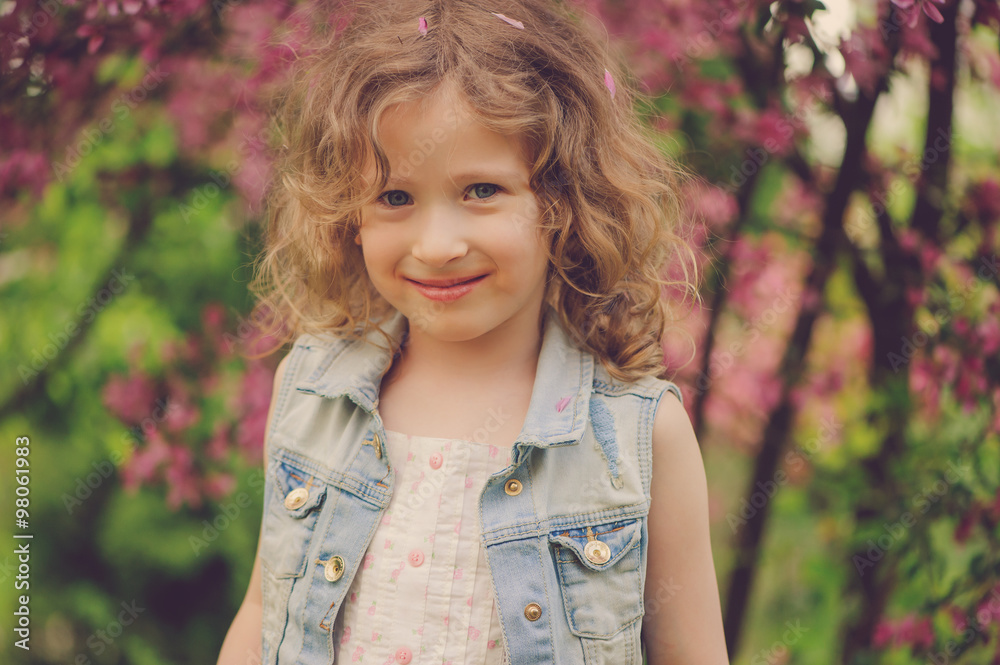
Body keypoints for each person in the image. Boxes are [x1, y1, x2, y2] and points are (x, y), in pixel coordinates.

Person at [217, 0, 728, 663]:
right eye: (395, 197)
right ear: (349, 215)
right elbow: (264, 612)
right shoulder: (311, 389)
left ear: (563, 202)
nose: (437, 246)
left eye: (482, 190)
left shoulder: (639, 434)